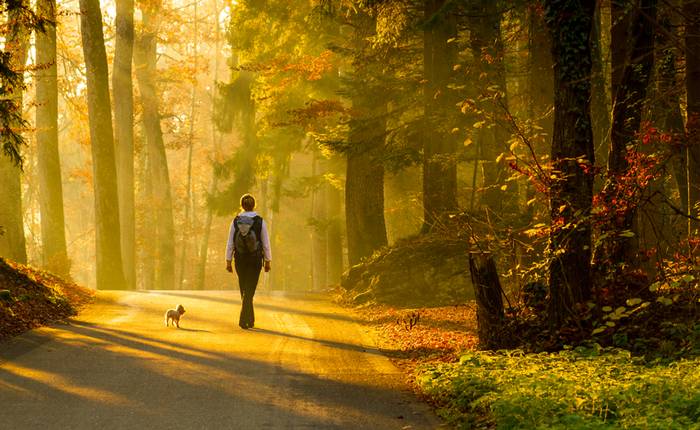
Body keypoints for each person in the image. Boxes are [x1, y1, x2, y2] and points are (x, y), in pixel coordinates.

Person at [225, 194, 271, 329]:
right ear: (253, 205)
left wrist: (228, 261)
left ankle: (249, 320)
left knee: (244, 289)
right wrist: (268, 261)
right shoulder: (260, 221)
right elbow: (266, 243)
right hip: (255, 259)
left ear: (242, 205)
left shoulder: (235, 221)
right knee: (249, 290)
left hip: (240, 259)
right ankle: (244, 319)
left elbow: (230, 243)